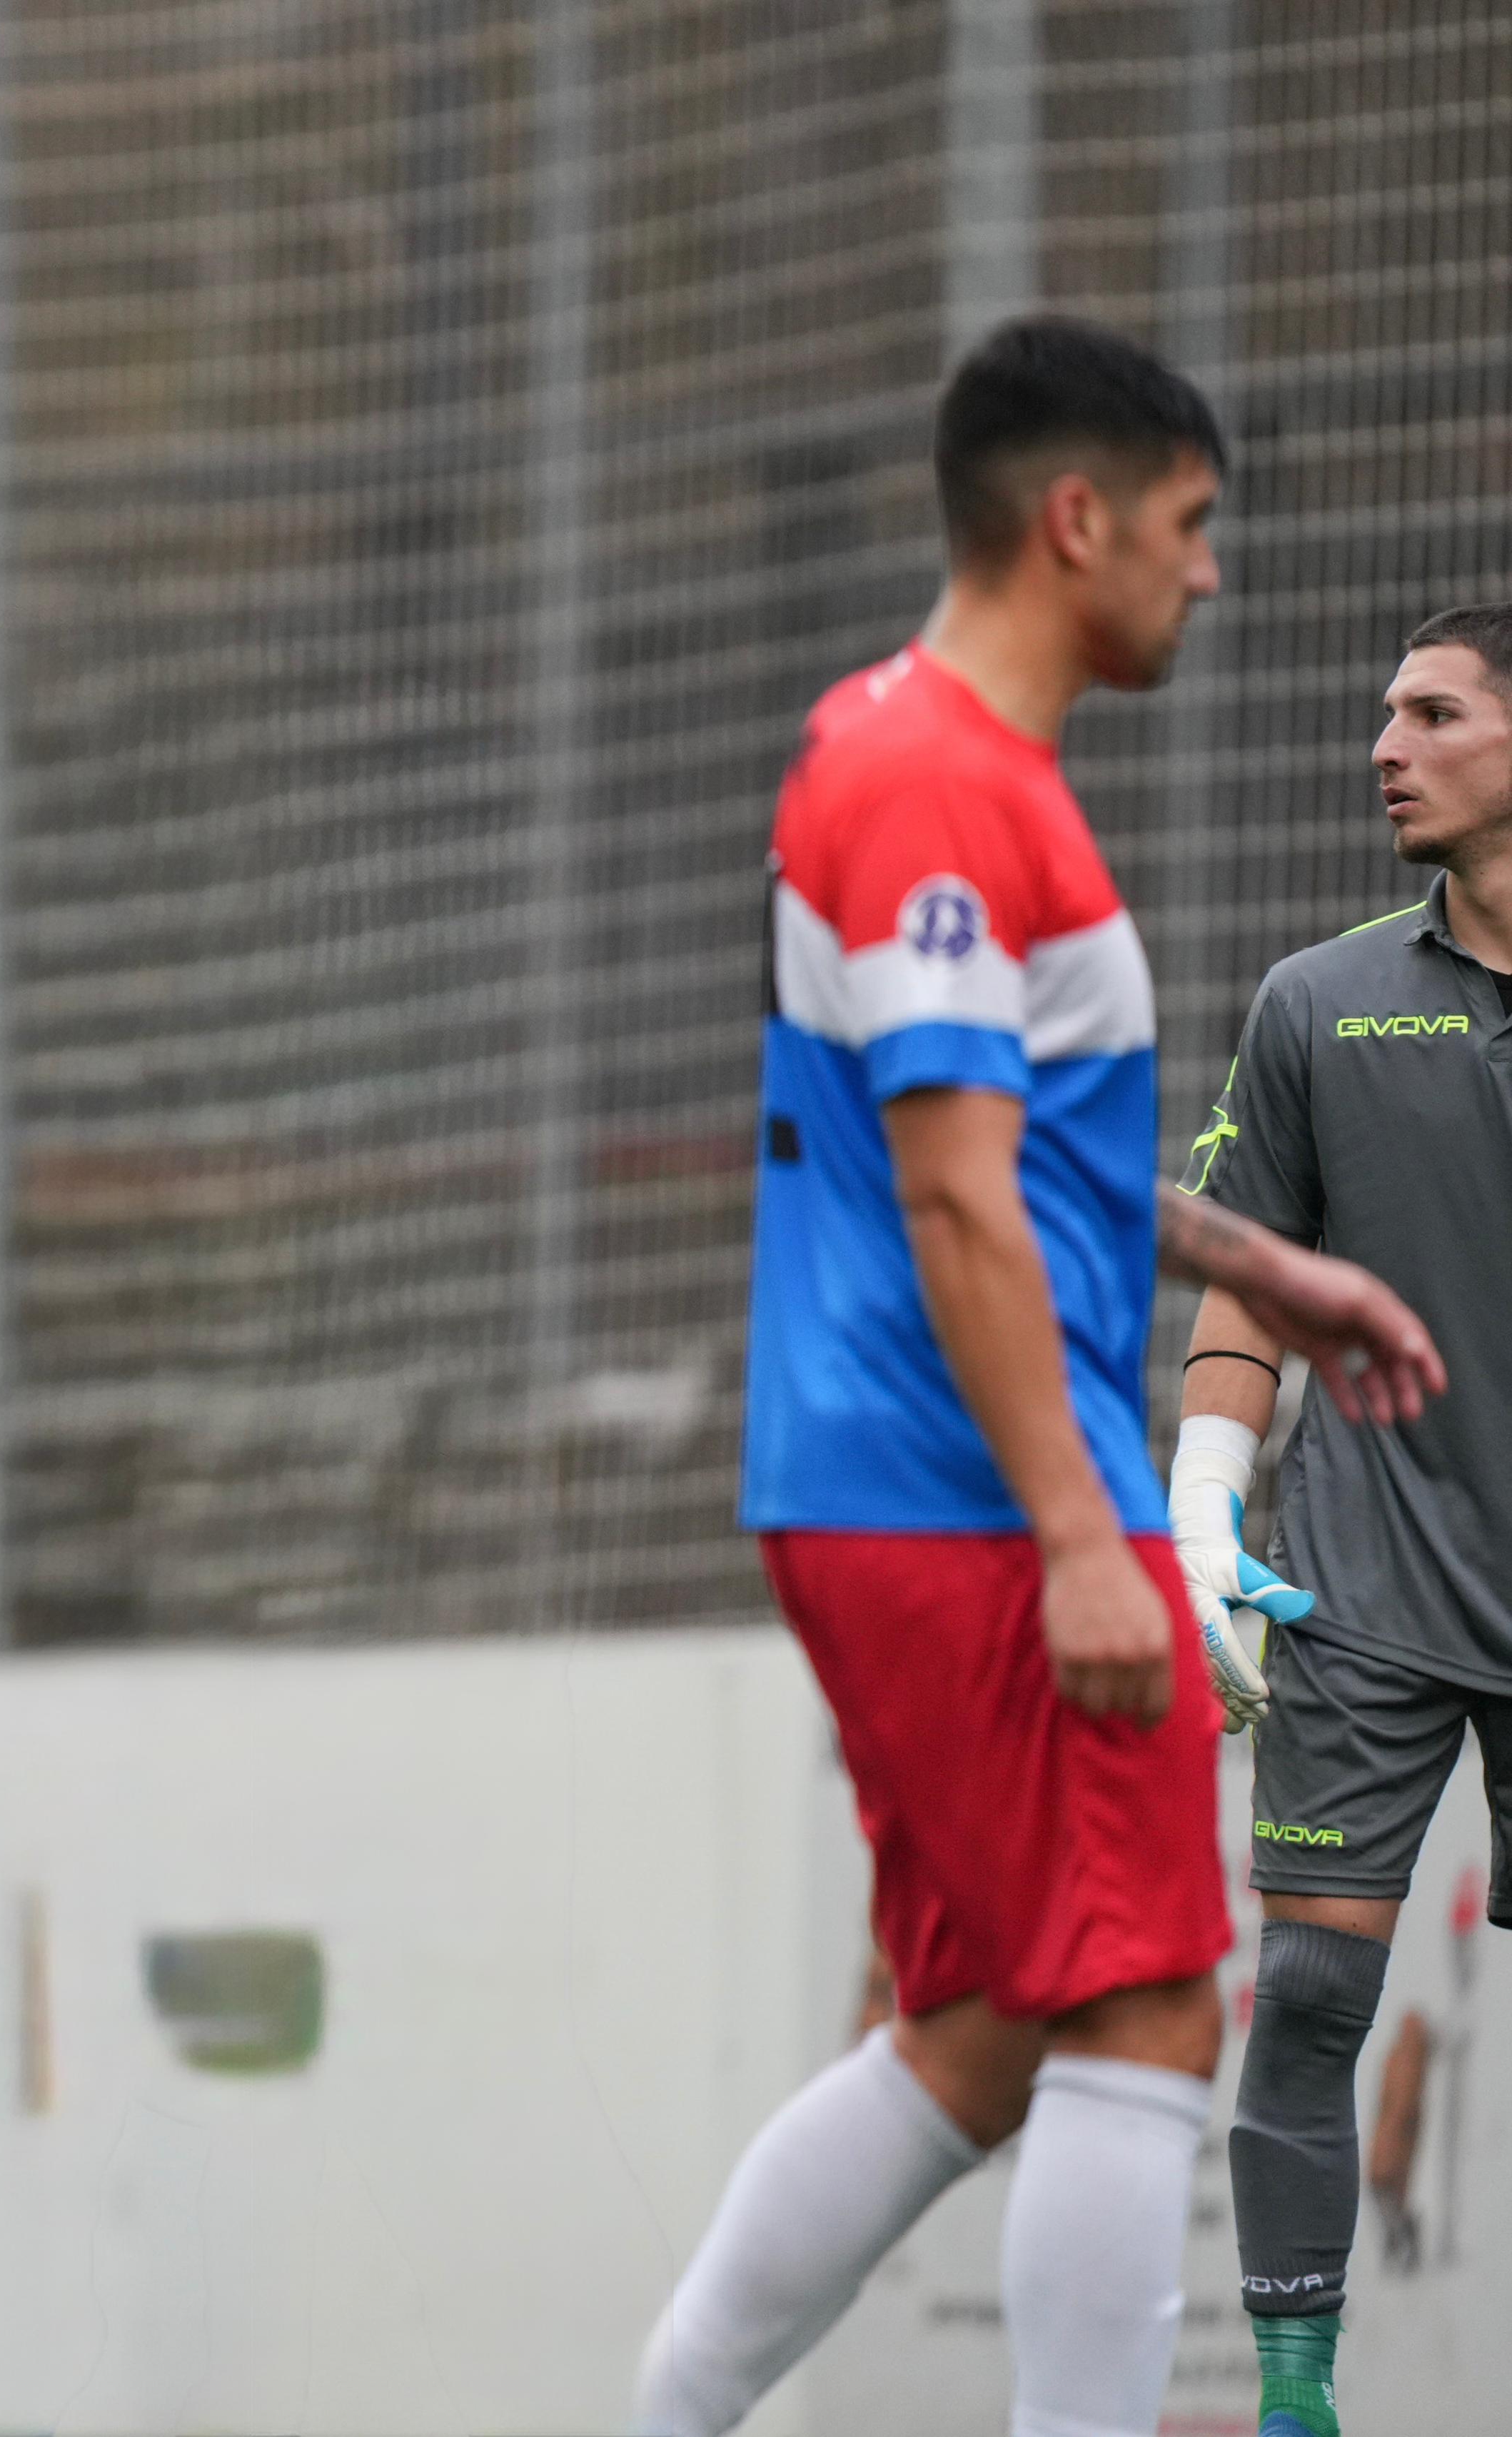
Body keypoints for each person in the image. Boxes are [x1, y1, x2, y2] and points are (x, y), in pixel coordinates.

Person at [633, 316, 1446, 2437]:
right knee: (1152, 2009)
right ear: (1069, 519)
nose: (1204, 573)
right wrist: (1081, 1536)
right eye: (1184, 526)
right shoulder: (925, 784)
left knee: (990, 2023)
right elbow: (954, 1201)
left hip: (910, 1481)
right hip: (966, 1489)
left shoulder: (921, 755)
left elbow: (1015, 1156)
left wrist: (1258, 1257)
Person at [1173, 601, 1512, 2437]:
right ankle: (1296, 2402)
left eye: (1432, 710)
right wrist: (1205, 1503)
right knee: (1306, 1986)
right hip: (1364, 1589)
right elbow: (1241, 1290)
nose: (1385, 741)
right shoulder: (1311, 1001)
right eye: (1383, 710)